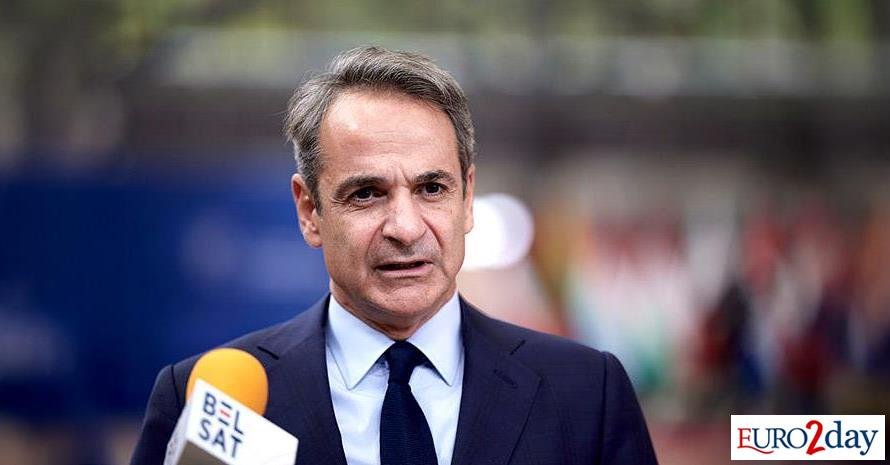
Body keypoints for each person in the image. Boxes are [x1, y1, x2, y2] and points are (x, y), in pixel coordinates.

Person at [130, 46, 658, 465]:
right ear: (310, 210)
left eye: (431, 188)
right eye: (366, 193)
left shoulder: (586, 393)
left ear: (467, 199)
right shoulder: (209, 400)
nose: (405, 228)